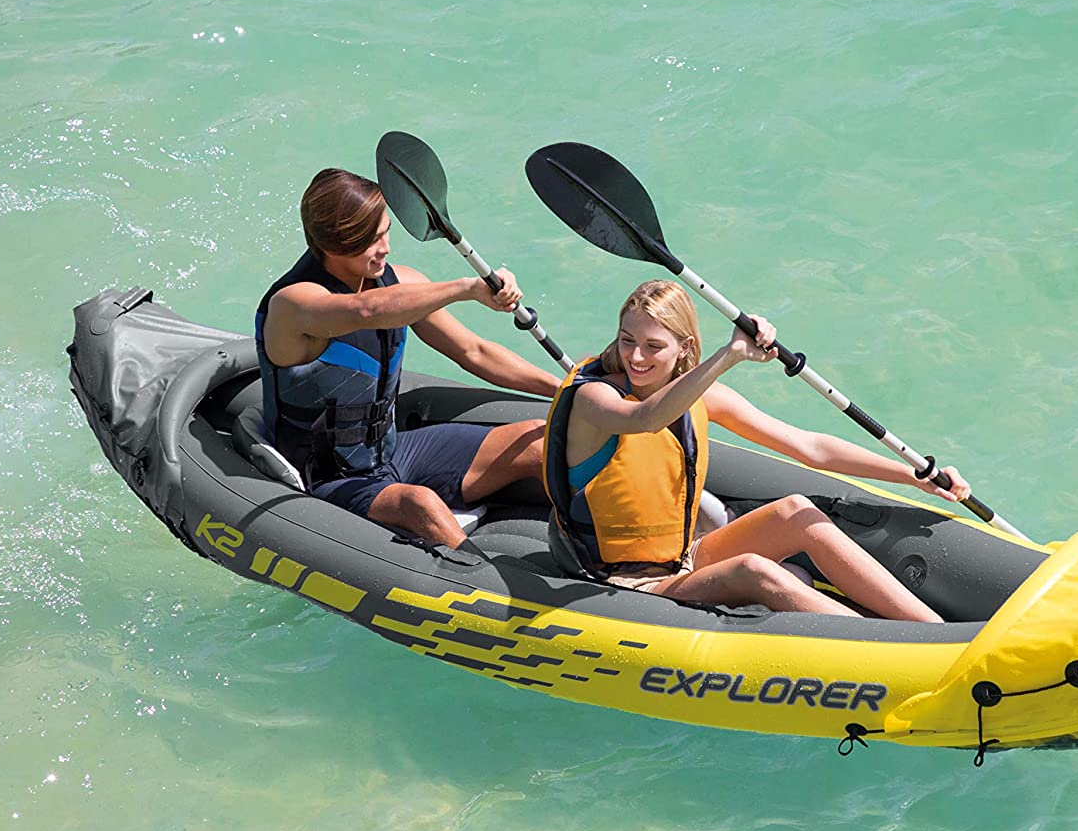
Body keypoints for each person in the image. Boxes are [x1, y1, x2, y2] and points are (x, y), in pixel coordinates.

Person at [542, 279, 972, 622]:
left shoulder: (702, 399)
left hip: (681, 558)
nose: (636, 357)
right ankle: (897, 649)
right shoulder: (595, 399)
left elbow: (810, 446)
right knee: (754, 569)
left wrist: (915, 476)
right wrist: (730, 355)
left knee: (795, 512)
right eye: (627, 340)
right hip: (620, 581)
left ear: (684, 348)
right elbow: (644, 419)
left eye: (653, 346)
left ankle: (932, 630)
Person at [257, 168, 562, 547]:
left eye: (386, 232)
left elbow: (474, 351)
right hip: (328, 478)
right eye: (372, 240)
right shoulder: (293, 305)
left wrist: (565, 388)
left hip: (393, 453)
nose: (386, 247)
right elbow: (366, 311)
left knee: (539, 440)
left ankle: (609, 543)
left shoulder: (402, 282)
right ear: (333, 245)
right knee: (421, 504)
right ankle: (476, 573)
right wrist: (466, 288)